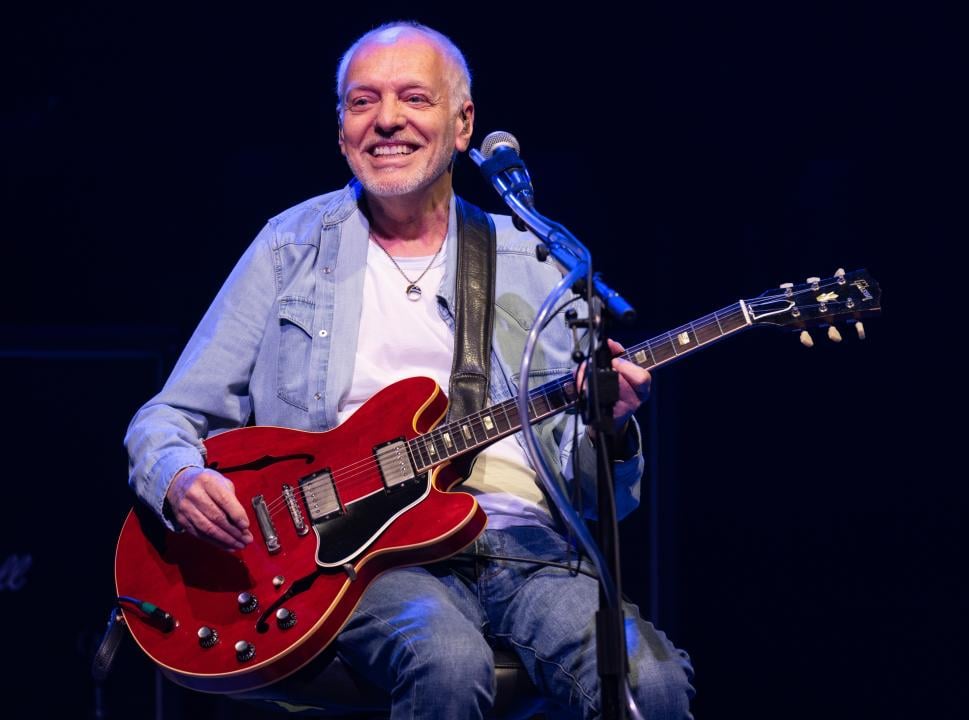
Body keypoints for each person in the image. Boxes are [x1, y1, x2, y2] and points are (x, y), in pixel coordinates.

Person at [125, 21, 694, 719]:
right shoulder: (289, 247)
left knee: (655, 683)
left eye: (414, 98)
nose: (387, 119)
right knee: (447, 662)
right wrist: (181, 477)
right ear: (341, 133)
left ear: (463, 125)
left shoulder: (534, 258)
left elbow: (601, 493)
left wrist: (608, 428)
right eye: (363, 102)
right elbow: (168, 418)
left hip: (528, 547)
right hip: (364, 556)